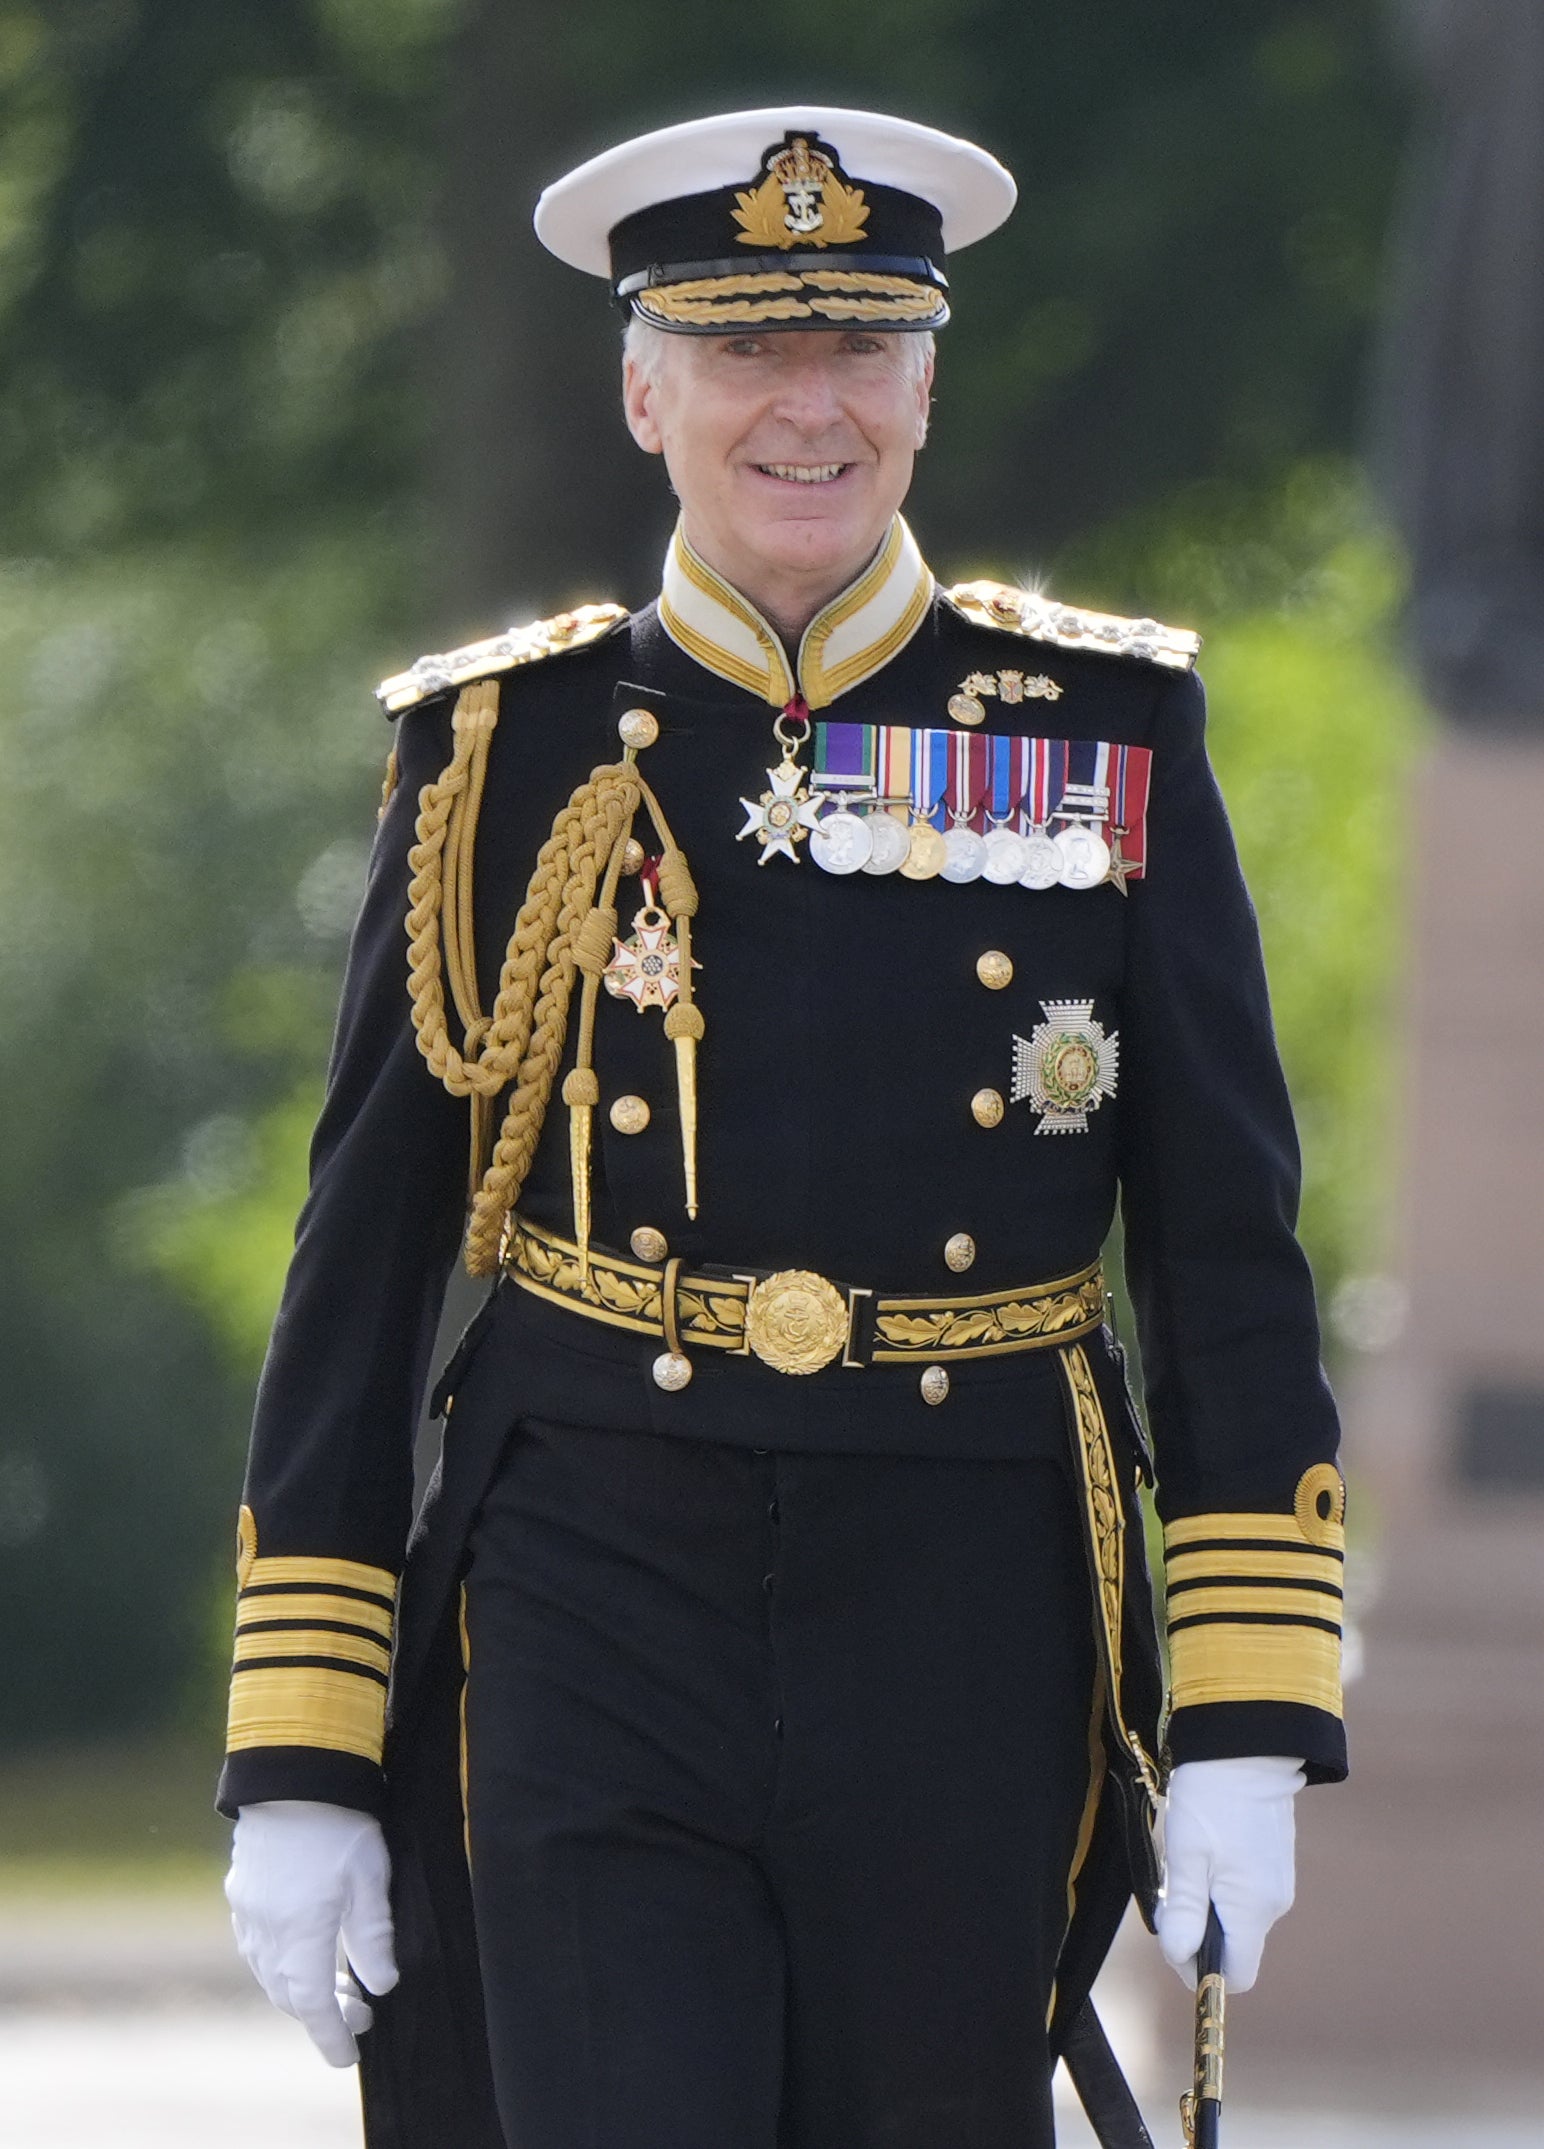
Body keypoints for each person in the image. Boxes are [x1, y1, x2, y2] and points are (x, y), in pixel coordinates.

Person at [219, 105, 1347, 2149]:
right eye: (744, 351)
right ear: (643, 387)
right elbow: (363, 1257)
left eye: (858, 349)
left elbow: (1220, 1243)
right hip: (589, 1577)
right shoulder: (498, 753)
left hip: (964, 1585)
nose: (803, 408)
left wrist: (1253, 1711)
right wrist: (301, 1747)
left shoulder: (1103, 734)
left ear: (928, 380)